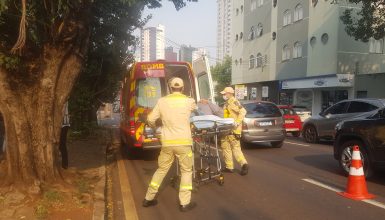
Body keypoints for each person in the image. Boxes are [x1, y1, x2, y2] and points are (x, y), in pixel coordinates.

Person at [143, 77, 197, 212]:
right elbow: (197, 112)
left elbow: (150, 119)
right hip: (184, 142)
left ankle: (148, 198)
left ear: (170, 88)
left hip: (167, 142)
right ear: (182, 88)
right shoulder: (189, 101)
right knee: (186, 171)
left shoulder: (162, 102)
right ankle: (184, 203)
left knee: (161, 170)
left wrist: (155, 127)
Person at [220, 87, 249, 175]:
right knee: (226, 148)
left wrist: (237, 122)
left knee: (235, 149)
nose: (223, 95)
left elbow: (243, 111)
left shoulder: (234, 102)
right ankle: (229, 167)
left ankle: (244, 164)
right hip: (226, 130)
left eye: (224, 94)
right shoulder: (226, 103)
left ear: (229, 93)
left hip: (233, 130)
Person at [59, 102, 70, 169]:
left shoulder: (64, 100)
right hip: (63, 124)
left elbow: (62, 112)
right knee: (61, 145)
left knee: (62, 145)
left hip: (64, 125)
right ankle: (64, 164)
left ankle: (65, 164)